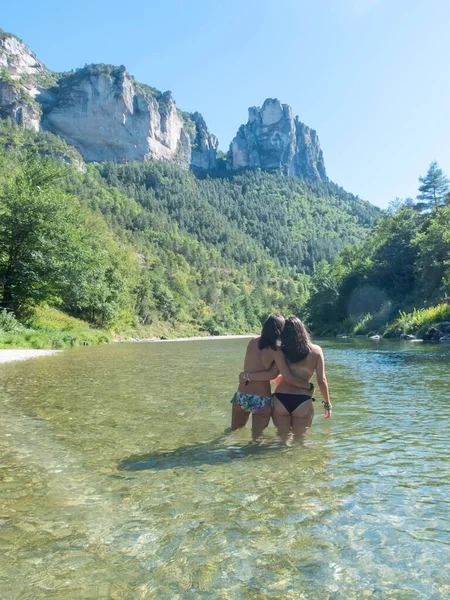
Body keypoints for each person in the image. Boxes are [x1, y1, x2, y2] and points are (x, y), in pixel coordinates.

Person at [242, 317, 331, 441]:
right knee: (300, 440)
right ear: (302, 330)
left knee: (282, 439)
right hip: (302, 400)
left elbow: (273, 373)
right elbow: (322, 380)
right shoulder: (316, 351)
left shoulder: (280, 351)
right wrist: (327, 404)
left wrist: (248, 376)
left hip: (280, 400)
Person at [231, 314, 310, 439]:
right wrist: (307, 386)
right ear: (280, 331)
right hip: (261, 399)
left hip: (242, 395)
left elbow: (251, 366)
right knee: (256, 438)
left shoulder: (252, 342)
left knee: (233, 431)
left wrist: (247, 376)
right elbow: (274, 374)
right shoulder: (277, 352)